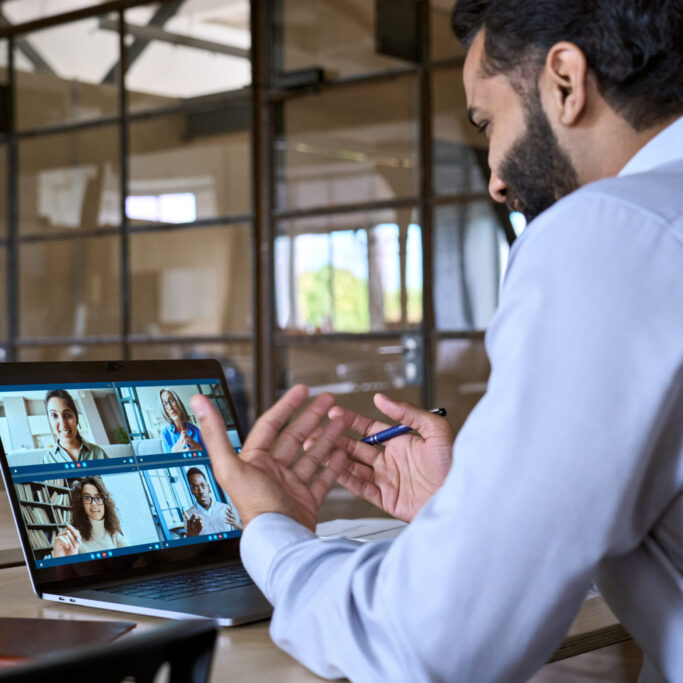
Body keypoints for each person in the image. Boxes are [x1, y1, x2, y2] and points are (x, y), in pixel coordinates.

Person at [189, 1, 682, 681]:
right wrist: (480, 509)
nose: (495, 176)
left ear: (565, 81)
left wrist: (270, 529)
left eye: (488, 121)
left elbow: (424, 647)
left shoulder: (610, 231)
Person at [52, 476, 128, 557]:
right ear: (81, 503)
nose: (94, 503)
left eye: (98, 497)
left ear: (105, 502)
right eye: (87, 498)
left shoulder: (114, 534)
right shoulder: (73, 537)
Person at [42, 389, 108, 464]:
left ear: (76, 418)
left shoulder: (99, 453)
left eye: (68, 415)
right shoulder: (48, 459)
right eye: (54, 415)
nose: (63, 424)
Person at [183, 467, 241, 536]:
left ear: (209, 488)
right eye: (195, 487)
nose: (201, 491)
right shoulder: (189, 516)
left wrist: (238, 526)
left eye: (203, 485)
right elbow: (191, 544)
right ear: (191, 491)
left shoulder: (226, 509)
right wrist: (190, 537)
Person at [159, 389, 207, 454]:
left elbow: (209, 458)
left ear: (178, 403)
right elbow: (167, 463)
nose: (170, 407)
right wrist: (174, 452)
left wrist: (200, 448)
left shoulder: (195, 430)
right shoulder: (165, 433)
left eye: (171, 400)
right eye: (164, 404)